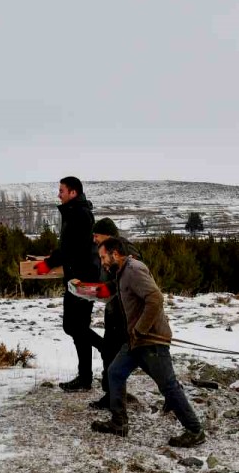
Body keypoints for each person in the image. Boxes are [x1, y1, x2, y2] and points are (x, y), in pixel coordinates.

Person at [91, 237, 205, 448]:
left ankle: (195, 430)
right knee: (115, 372)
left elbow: (155, 298)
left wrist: (141, 329)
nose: (102, 262)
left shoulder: (133, 269)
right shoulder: (122, 272)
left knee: (168, 386)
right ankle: (119, 423)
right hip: (135, 340)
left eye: (103, 257)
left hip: (151, 340)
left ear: (115, 254)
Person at [34, 177, 102, 391]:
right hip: (77, 277)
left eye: (61, 190)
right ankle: (85, 378)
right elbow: (69, 247)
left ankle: (106, 349)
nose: (58, 194)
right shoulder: (74, 212)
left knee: (74, 327)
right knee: (76, 328)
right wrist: (53, 259)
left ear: (73, 192)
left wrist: (50, 263)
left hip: (84, 280)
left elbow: (72, 249)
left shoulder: (80, 214)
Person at [87, 218, 141, 410]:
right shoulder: (105, 250)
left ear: (108, 234)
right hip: (112, 311)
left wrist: (108, 288)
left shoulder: (126, 249)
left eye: (96, 235)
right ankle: (111, 396)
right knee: (109, 354)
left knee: (131, 357)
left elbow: (132, 279)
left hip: (125, 314)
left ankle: (169, 392)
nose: (94, 239)